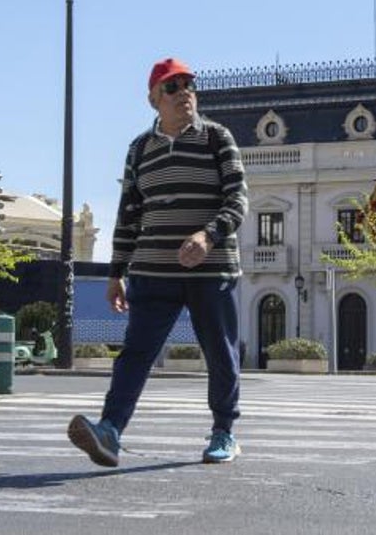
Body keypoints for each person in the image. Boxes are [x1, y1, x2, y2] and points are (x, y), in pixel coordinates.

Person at [68, 57, 248, 467]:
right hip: (151, 271)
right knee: (134, 354)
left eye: (188, 84)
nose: (184, 91)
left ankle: (224, 432)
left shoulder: (217, 138)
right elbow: (129, 214)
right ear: (153, 99)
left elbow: (238, 199)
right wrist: (116, 273)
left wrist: (208, 235)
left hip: (211, 268)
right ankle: (109, 431)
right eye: (172, 86)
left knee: (220, 352)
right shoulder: (139, 150)